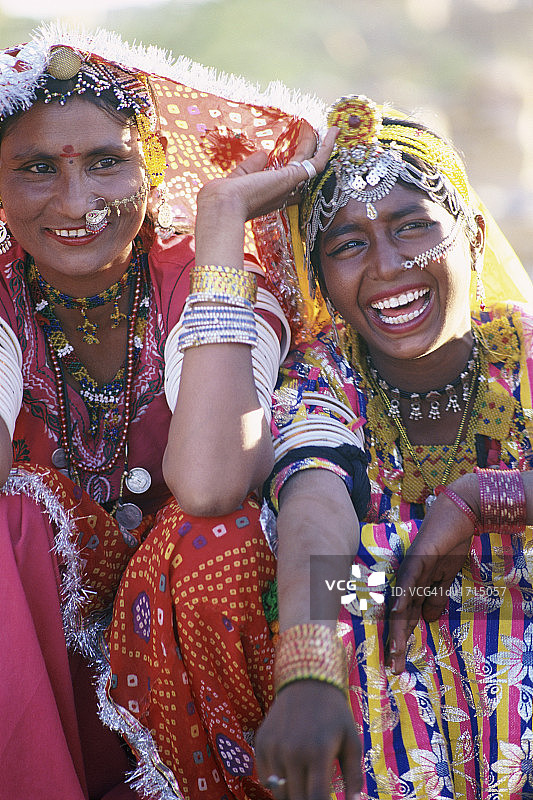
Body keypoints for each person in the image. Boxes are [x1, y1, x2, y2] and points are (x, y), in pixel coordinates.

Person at [0, 24, 337, 800]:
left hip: (198, 635)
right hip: (42, 662)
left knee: (218, 532)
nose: (76, 202)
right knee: (13, 515)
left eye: (105, 162)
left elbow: (214, 485)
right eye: (37, 168)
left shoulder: (207, 277)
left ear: (152, 162)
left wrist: (221, 221)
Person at [254, 93, 533, 800]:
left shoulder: (525, 349)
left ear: (472, 235)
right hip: (386, 611)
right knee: (340, 576)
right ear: (321, 281)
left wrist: (481, 499)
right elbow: (314, 498)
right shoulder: (321, 378)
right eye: (347, 245)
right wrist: (308, 669)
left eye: (412, 227)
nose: (385, 264)